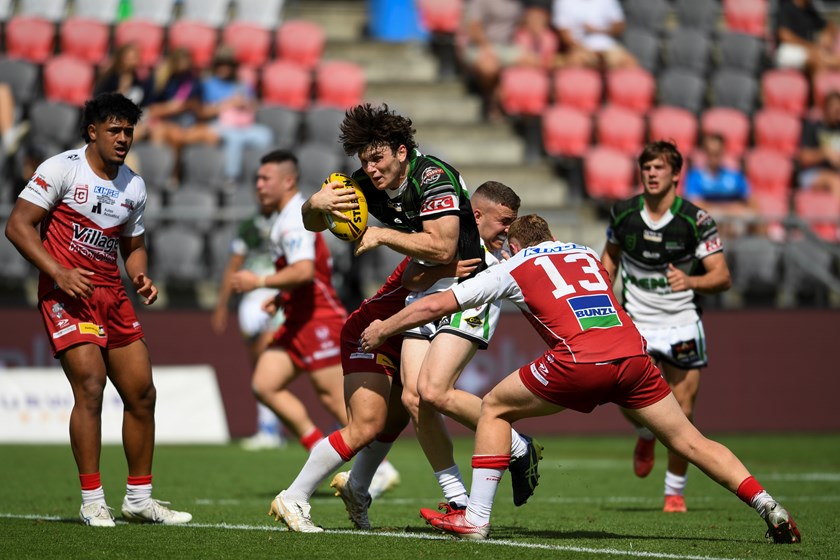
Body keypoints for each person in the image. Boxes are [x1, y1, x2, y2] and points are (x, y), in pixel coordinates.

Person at [359, 214, 801, 545]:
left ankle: (475, 518)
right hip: (633, 356)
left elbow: (435, 305)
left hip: (579, 360)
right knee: (690, 441)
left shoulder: (512, 265)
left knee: (494, 408)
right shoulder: (586, 253)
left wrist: (384, 328)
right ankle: (768, 505)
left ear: (514, 246)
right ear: (552, 236)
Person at [270, 104, 540, 532]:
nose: (370, 169)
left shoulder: (432, 177)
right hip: (422, 293)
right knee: (414, 401)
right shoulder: (365, 183)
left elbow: (443, 248)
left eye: (377, 159)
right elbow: (314, 224)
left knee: (431, 392)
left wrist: (381, 234)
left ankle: (516, 447)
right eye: (364, 161)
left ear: (401, 152)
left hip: (467, 288)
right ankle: (458, 498)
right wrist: (313, 204)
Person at [4, 92, 191, 526]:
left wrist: (140, 275)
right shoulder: (61, 169)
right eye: (114, 130)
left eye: (129, 131)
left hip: (112, 294)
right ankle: (92, 500)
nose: (123, 138)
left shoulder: (134, 185)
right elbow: (17, 225)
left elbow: (133, 245)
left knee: (142, 393)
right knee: (90, 385)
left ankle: (139, 499)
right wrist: (58, 272)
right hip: (66, 293)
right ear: (92, 132)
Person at [229, 149, 400, 495]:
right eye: (258, 179)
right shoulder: (287, 217)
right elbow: (307, 273)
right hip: (297, 318)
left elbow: (305, 271)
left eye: (265, 179)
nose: (258, 185)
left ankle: (380, 470)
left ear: (288, 181)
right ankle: (317, 452)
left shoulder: (294, 220)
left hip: (319, 318)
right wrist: (282, 296)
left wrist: (258, 281)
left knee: (340, 403)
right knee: (265, 384)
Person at [601, 140, 733, 513]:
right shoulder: (624, 214)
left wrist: (690, 281)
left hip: (680, 323)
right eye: (646, 167)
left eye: (659, 167)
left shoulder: (696, 220)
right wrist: (604, 295)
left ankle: (674, 492)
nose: (651, 173)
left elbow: (722, 277)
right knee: (619, 393)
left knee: (683, 410)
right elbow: (610, 258)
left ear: (676, 174)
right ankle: (645, 432)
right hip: (636, 322)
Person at [211, 198, 285, 450]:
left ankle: (270, 428)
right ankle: (269, 425)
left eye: (267, 182)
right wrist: (222, 305)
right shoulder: (249, 226)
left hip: (275, 296)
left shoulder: (287, 222)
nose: (262, 191)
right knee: (258, 367)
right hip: (250, 301)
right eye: (259, 185)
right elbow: (233, 266)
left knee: (267, 358)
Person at [199, 45, 273, 185]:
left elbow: (254, 106)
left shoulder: (242, 84)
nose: (224, 68)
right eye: (220, 64)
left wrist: (246, 104)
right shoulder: (208, 84)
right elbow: (203, 112)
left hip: (242, 125)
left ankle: (261, 176)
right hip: (219, 125)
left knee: (265, 135)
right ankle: (231, 179)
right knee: (234, 139)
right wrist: (228, 103)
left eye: (228, 65)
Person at [459, 0, 542, 120]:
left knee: (535, 61)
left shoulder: (517, 4)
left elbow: (525, 20)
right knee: (488, 68)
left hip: (506, 47)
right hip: (479, 46)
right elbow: (473, 28)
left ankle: (514, 104)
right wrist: (486, 48)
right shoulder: (480, 2)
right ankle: (491, 101)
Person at [683, 133, 757, 238]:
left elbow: (752, 202)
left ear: (723, 152)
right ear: (705, 153)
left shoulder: (735, 176)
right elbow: (695, 206)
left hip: (735, 225)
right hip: (710, 224)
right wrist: (728, 210)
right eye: (710, 152)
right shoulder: (694, 177)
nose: (713, 157)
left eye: (717, 153)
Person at [552, 0, 638, 70]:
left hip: (608, 48)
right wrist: (585, 52)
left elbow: (619, 26)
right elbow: (565, 35)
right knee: (572, 63)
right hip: (581, 49)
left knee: (630, 62)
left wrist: (597, 30)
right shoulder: (563, 2)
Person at [774, 0, 840, 78]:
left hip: (809, 50)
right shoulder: (786, 7)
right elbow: (784, 35)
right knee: (816, 59)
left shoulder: (809, 9)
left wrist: (828, 36)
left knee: (834, 61)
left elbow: (830, 26)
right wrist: (810, 46)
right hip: (787, 50)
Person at [796, 90, 840, 201]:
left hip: (836, 172)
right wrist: (824, 153)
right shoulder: (813, 127)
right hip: (812, 174)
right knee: (835, 182)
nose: (837, 110)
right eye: (834, 107)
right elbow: (803, 158)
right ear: (825, 108)